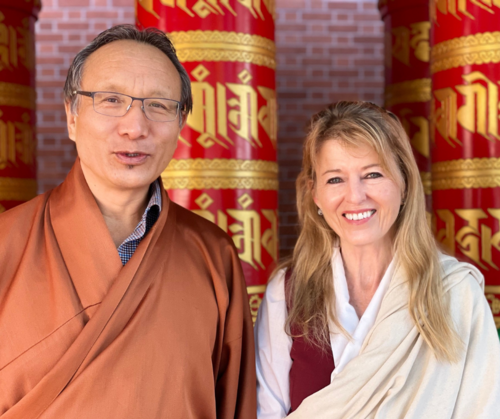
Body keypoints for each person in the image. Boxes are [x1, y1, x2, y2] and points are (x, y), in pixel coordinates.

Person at [0, 25, 256, 418]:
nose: (135, 127)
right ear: (72, 114)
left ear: (180, 123)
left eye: (158, 105)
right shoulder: (7, 243)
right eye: (111, 99)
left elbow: (235, 405)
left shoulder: (212, 254)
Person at [254, 101, 500, 419]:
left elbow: (484, 410)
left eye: (372, 174)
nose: (355, 196)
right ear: (315, 194)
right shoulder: (287, 291)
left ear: (404, 182)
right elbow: (266, 412)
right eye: (335, 179)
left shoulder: (455, 293)